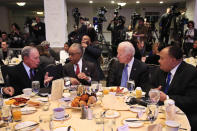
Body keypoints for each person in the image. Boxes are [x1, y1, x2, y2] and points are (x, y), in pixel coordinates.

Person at [148, 46, 197, 130]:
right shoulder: (160, 70)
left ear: (173, 61)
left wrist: (167, 98)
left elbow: (192, 100)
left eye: (162, 58)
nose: (158, 61)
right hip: (159, 113)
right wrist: (153, 91)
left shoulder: (191, 73)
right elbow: (149, 85)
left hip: (181, 115)